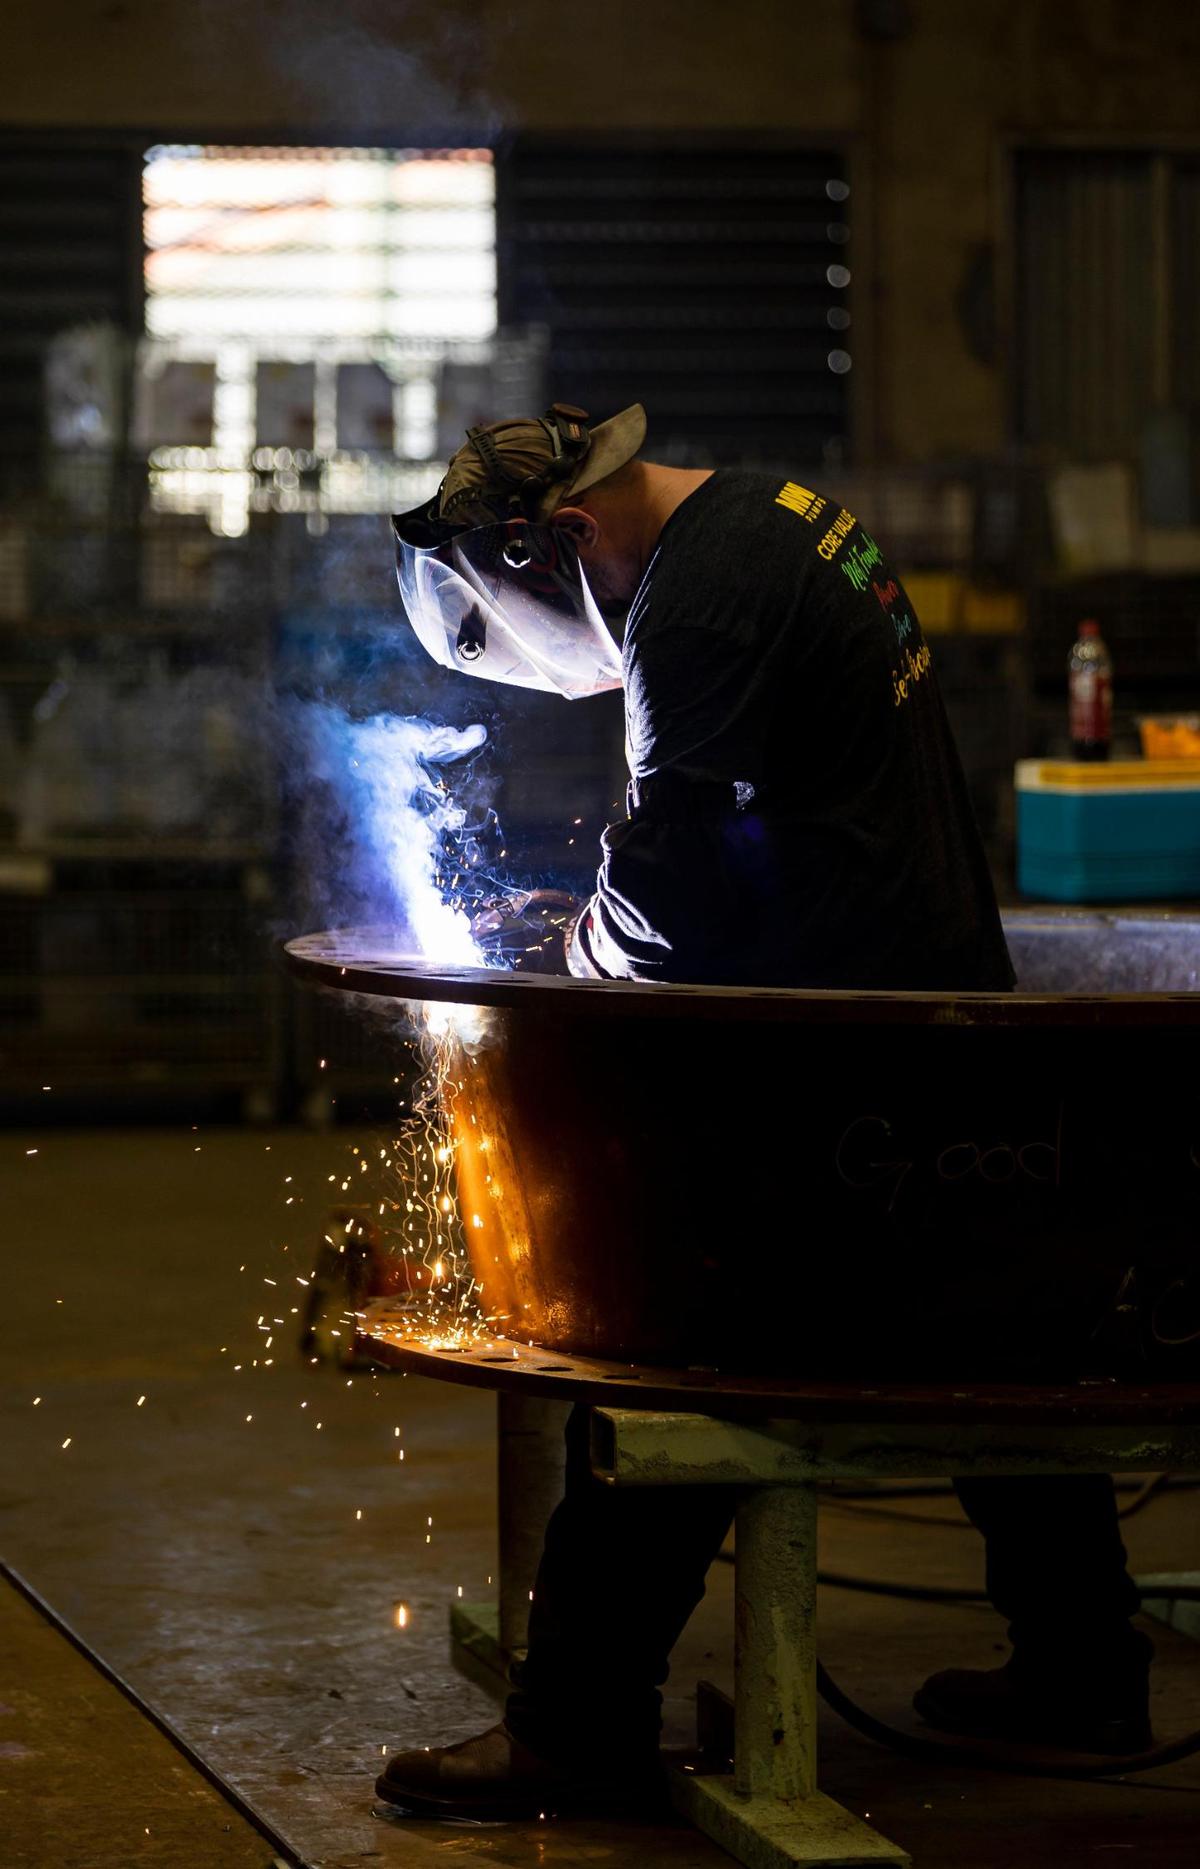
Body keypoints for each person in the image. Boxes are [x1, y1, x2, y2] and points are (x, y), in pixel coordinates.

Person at [375, 403, 1152, 1820]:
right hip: (931, 1041)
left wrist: (565, 957)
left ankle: (577, 1725)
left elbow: (673, 896)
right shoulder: (769, 521)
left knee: (676, 1339)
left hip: (849, 1075)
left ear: (565, 537)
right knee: (995, 1321)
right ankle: (1085, 1670)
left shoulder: (699, 601)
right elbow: (737, 835)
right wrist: (602, 913)